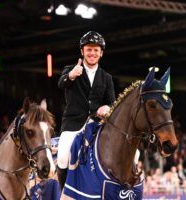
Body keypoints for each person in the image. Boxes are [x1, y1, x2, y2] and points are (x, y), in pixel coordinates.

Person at [57, 31, 115, 190]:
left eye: (96, 50)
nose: (92, 53)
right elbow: (61, 84)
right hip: (73, 124)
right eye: (89, 49)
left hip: (97, 126)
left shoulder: (106, 77)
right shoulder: (70, 69)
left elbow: (111, 102)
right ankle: (64, 193)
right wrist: (71, 75)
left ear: (101, 53)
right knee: (62, 157)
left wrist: (107, 107)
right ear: (82, 51)